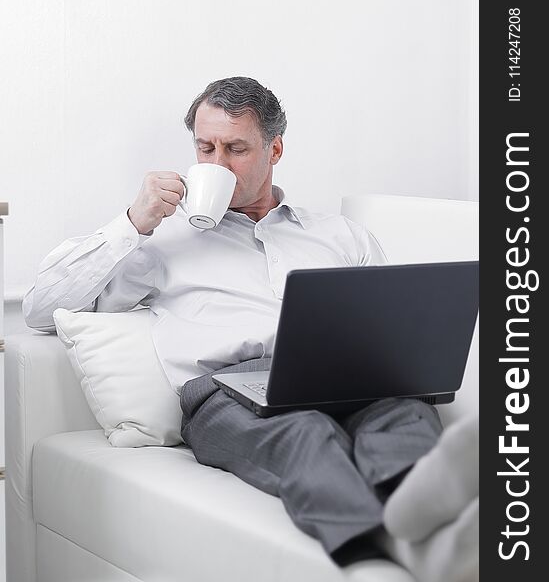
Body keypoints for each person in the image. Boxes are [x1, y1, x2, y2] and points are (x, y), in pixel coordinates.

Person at [23, 76, 478, 580]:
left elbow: (392, 327)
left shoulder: (339, 235)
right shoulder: (161, 241)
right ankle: (371, 557)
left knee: (403, 413)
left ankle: (428, 527)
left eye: (236, 148)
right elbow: (43, 308)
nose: (216, 164)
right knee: (307, 433)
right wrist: (135, 219)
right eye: (205, 148)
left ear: (275, 149)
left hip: (346, 381)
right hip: (226, 393)